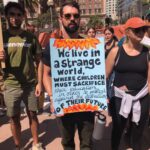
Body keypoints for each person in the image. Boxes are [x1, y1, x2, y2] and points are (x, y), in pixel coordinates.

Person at [42, 2, 95, 150]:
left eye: (76, 16)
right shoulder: (52, 47)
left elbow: (96, 74)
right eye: (68, 16)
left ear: (80, 19)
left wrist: (99, 94)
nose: (72, 19)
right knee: (67, 144)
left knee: (87, 145)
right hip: (64, 105)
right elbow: (46, 74)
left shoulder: (89, 45)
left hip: (86, 105)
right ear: (60, 19)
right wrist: (52, 98)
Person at [0, 2, 43, 150]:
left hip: (29, 84)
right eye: (12, 14)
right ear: (6, 16)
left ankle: (36, 143)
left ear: (23, 17)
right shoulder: (1, 37)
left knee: (33, 115)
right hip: (11, 85)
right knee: (14, 118)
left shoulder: (30, 37)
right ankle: (18, 146)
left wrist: (39, 83)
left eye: (18, 15)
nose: (15, 18)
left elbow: (39, 61)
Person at [106, 17, 150, 150]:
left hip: (141, 98)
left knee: (138, 131)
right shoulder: (116, 51)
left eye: (143, 29)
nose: (141, 32)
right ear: (127, 32)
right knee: (117, 130)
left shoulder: (147, 53)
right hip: (119, 98)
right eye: (137, 30)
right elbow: (104, 76)